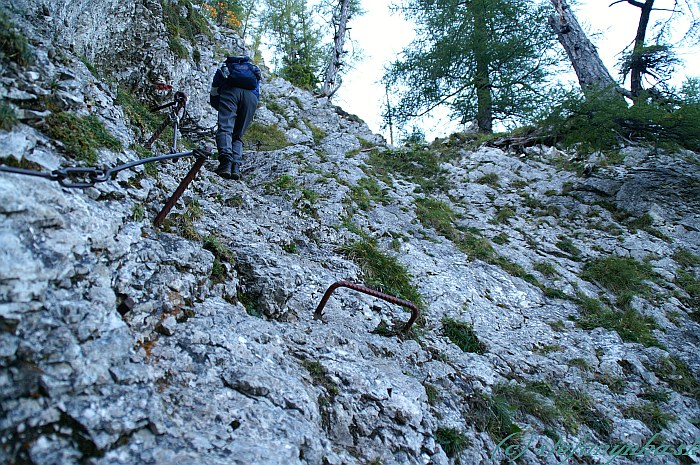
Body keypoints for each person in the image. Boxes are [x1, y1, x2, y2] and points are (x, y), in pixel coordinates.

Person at [209, 55, 261, 180]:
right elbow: (258, 91)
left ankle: (225, 164)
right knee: (237, 135)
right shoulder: (253, 69)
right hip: (251, 98)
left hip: (230, 93)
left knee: (225, 129)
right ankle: (235, 167)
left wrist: (219, 106)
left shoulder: (225, 67)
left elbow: (215, 91)